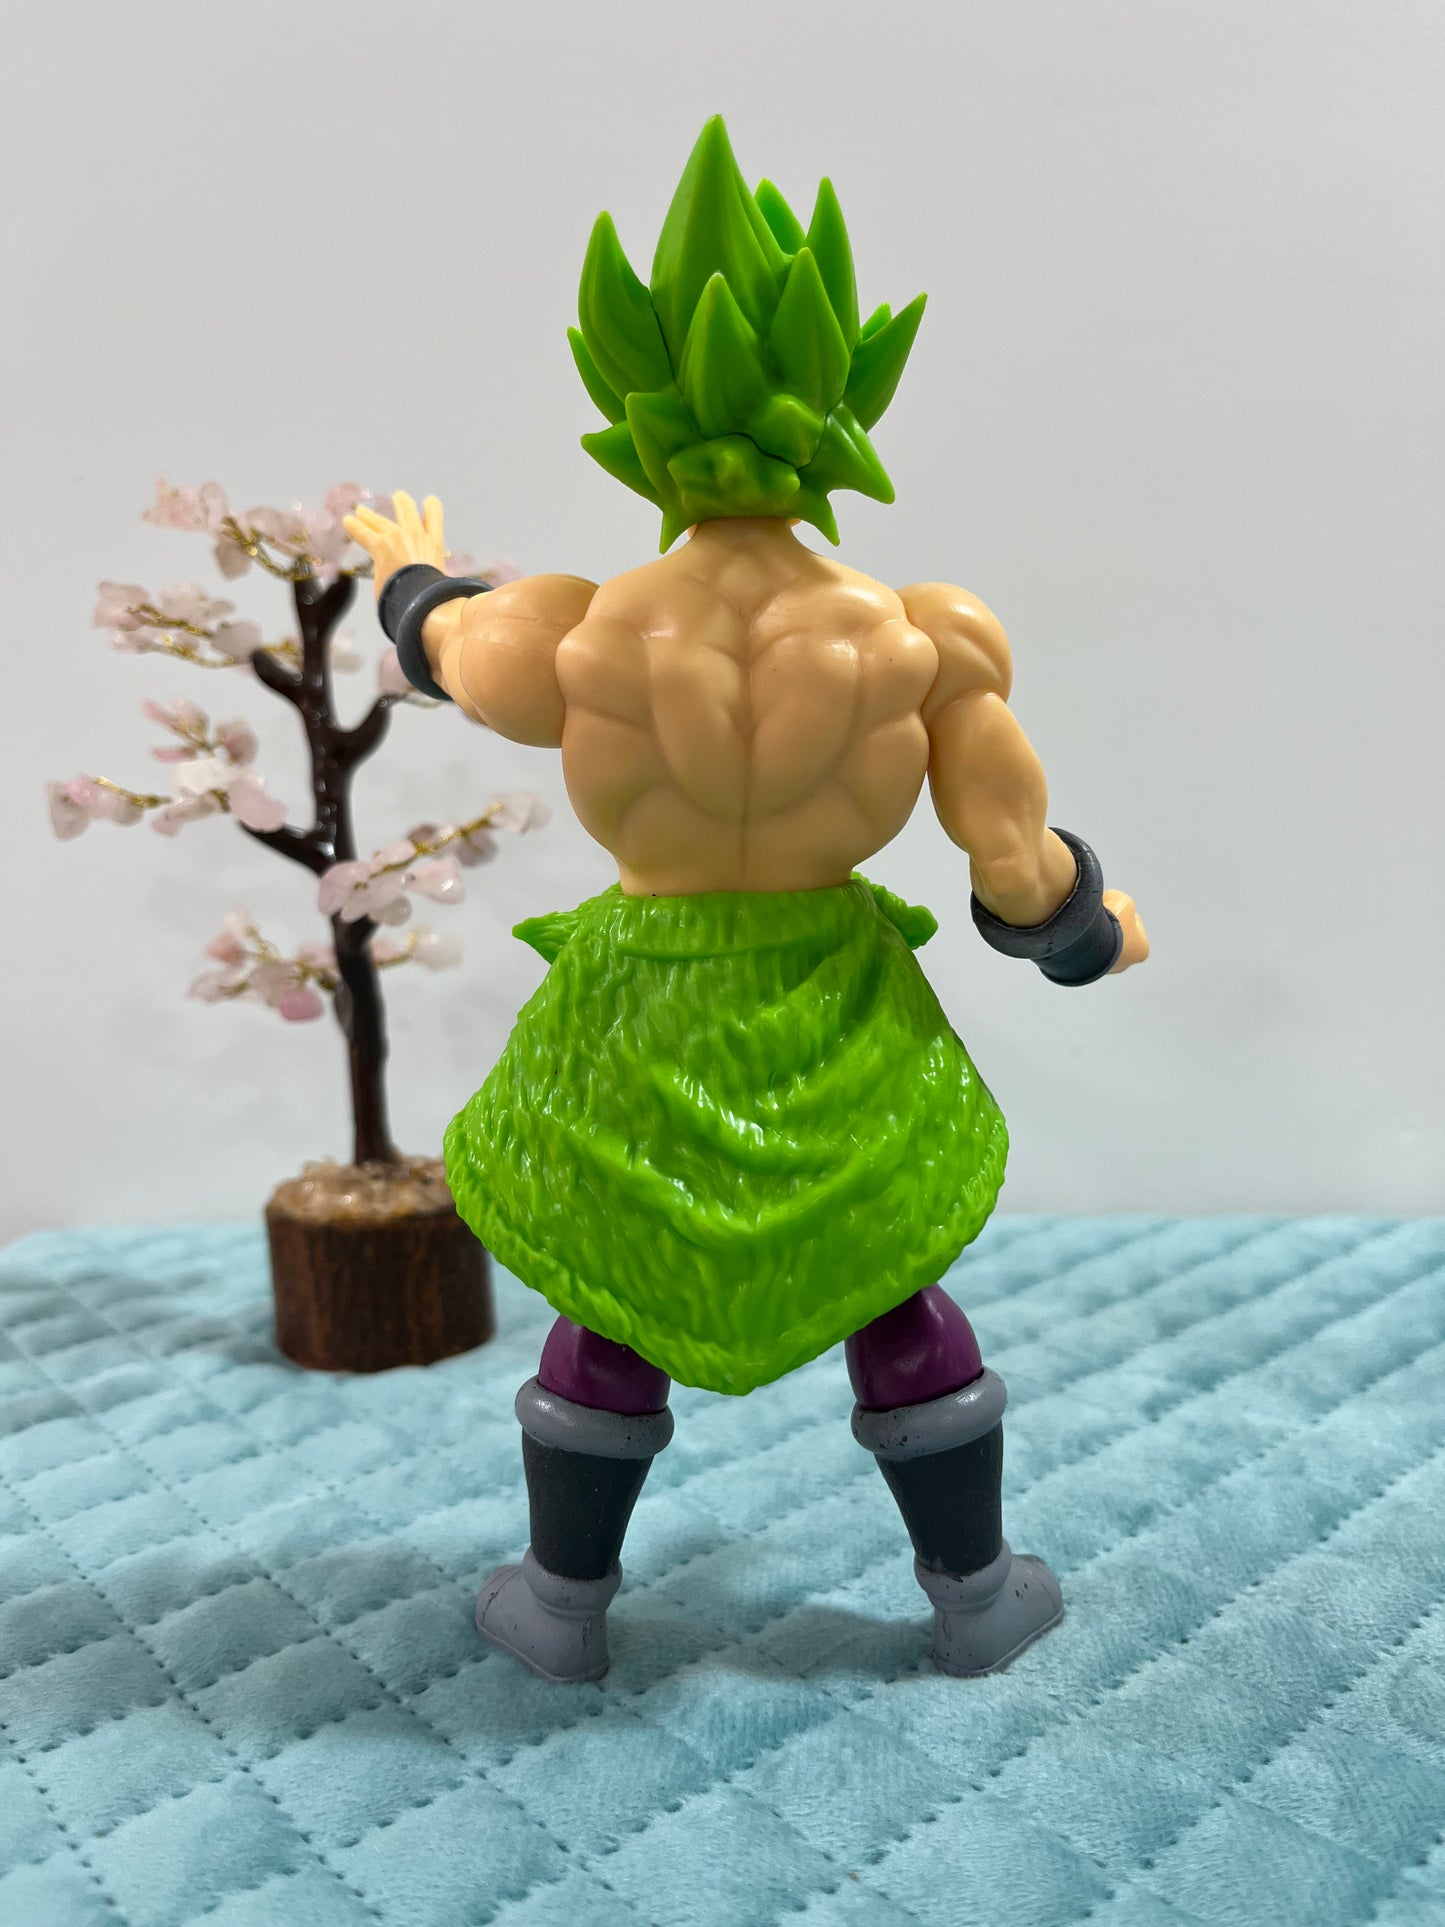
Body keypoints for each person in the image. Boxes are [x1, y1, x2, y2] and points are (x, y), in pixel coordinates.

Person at [345, 117, 1148, 1685]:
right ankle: (976, 1596)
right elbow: (1013, 866)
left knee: (617, 1268)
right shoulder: (919, 634)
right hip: (828, 991)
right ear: (847, 402)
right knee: (888, 1273)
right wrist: (1085, 940)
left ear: (629, 412)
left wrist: (412, 576)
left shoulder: (575, 631)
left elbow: (444, 642)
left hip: (642, 989)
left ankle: (559, 1606)